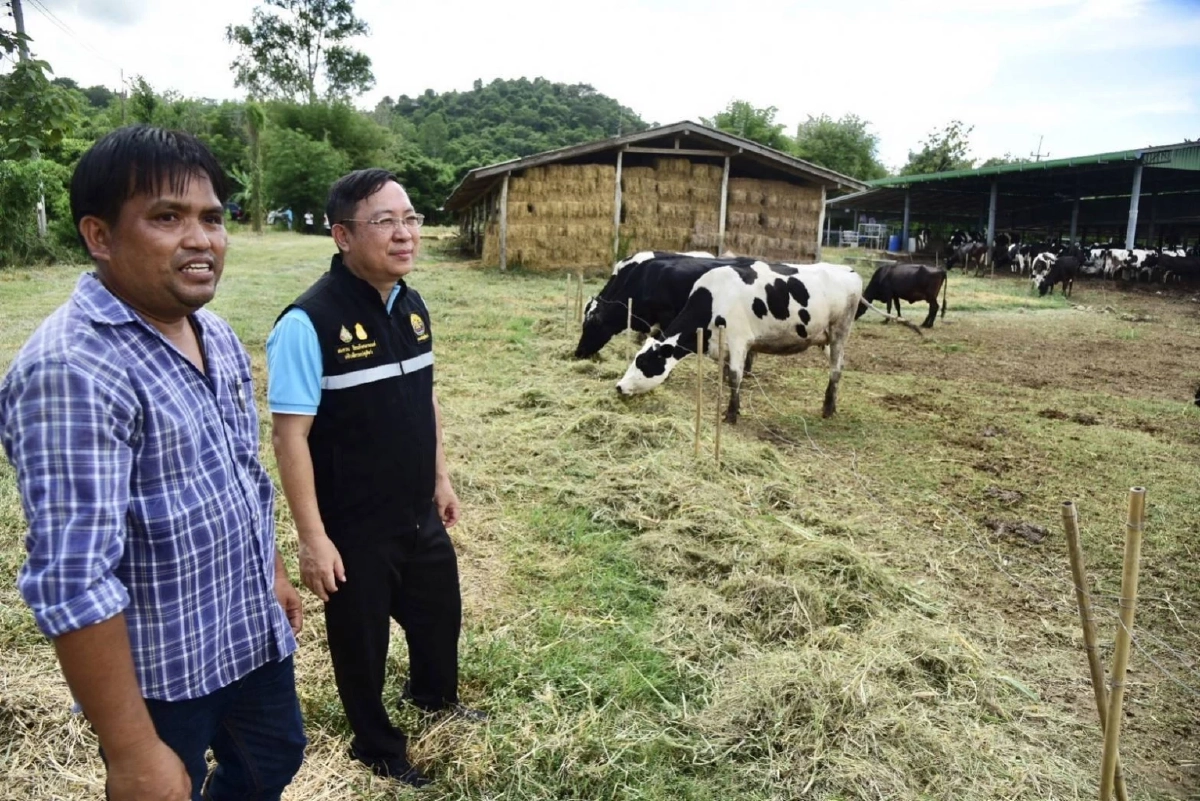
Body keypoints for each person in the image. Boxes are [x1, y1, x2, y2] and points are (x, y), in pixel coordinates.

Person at [0, 126, 307, 801]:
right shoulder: (72, 370)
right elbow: (73, 581)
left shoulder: (214, 332)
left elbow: (240, 473)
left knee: (276, 754)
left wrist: (276, 573)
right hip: (160, 670)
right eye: (167, 217)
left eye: (213, 218)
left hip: (243, 629)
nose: (201, 239)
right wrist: (134, 750)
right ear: (100, 236)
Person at [267, 169, 478, 787]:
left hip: (416, 506)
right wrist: (312, 536)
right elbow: (290, 437)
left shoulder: (412, 307)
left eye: (410, 219)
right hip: (354, 524)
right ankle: (375, 745)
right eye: (385, 221)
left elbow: (427, 399)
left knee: (440, 614)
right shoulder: (308, 322)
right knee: (361, 644)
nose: (405, 233)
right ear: (342, 235)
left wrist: (440, 477)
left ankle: (434, 698)